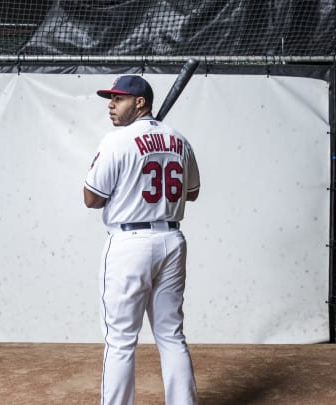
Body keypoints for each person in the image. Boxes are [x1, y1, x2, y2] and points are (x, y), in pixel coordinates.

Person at [83, 75, 200, 405]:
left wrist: (129, 184)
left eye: (118, 99)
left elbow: (91, 199)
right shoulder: (178, 139)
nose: (111, 104)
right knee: (171, 335)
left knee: (120, 340)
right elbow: (192, 193)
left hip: (130, 244)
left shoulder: (117, 141)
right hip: (172, 242)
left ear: (140, 102)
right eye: (111, 99)